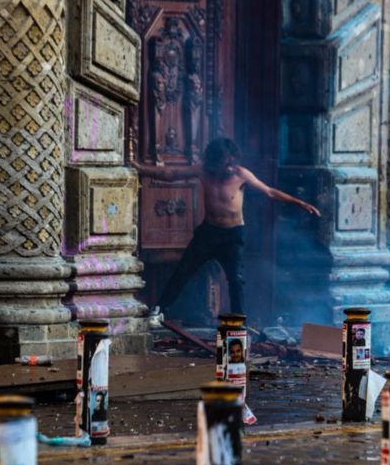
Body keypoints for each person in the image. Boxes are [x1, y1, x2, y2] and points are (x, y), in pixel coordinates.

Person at [132, 137, 321, 326]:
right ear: (214, 162)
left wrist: (300, 203)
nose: (230, 167)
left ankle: (239, 323)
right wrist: (141, 169)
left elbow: (269, 192)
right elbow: (171, 173)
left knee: (236, 280)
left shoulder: (241, 174)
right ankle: (159, 309)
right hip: (208, 233)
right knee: (183, 271)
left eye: (232, 162)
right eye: (226, 163)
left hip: (232, 236)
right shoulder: (203, 170)